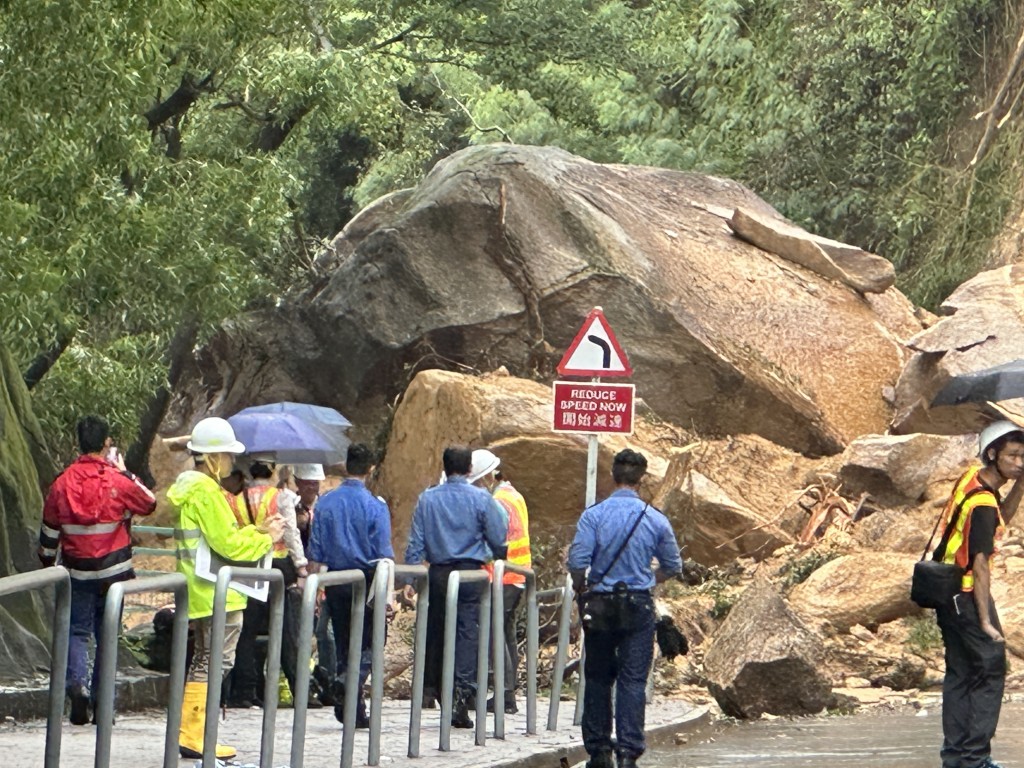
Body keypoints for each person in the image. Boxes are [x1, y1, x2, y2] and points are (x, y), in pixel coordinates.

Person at [168, 417, 284, 760]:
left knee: (206, 659)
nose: (231, 463)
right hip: (216, 590)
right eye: (227, 455)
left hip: (201, 589)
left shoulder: (189, 490)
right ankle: (193, 734)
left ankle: (193, 732)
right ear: (213, 456)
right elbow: (229, 545)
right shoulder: (205, 493)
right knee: (216, 661)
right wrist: (265, 537)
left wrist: (256, 531)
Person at [38, 415, 157, 725]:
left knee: (76, 632)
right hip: (114, 575)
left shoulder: (62, 483)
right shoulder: (116, 480)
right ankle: (103, 704)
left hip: (77, 574)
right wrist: (124, 471)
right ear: (107, 443)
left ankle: (77, 686)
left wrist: (47, 561)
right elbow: (149, 502)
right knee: (107, 637)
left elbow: (50, 529)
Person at [567, 448, 682, 768]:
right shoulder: (655, 518)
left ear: (613, 476)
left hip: (601, 606)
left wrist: (581, 585)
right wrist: (648, 579)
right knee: (633, 680)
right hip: (638, 606)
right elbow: (673, 564)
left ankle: (599, 751)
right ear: (641, 479)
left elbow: (577, 560)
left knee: (598, 678)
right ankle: (629, 752)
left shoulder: (594, 515)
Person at [933, 420, 1024, 768]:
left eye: (1023, 457)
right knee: (990, 670)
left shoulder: (973, 480)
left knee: (960, 672)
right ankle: (975, 758)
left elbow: (1004, 517)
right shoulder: (983, 503)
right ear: (993, 454)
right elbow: (981, 562)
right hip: (968, 595)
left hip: (945, 591)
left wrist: (1021, 483)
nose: (1019, 462)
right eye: (1013, 456)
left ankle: (954, 758)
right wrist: (986, 620)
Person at [405, 445, 508, 728]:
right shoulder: (482, 498)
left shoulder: (427, 499)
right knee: (466, 634)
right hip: (470, 575)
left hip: (438, 574)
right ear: (469, 469)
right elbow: (498, 537)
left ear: (445, 466)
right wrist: (495, 555)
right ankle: (462, 696)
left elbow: (416, 542)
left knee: (436, 633)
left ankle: (435, 689)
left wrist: (412, 577)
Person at [308, 443, 394, 727]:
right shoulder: (375, 505)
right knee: (371, 641)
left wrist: (315, 587)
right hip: (366, 581)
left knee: (345, 642)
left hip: (335, 580)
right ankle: (348, 682)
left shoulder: (325, 503)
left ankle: (353, 711)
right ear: (371, 469)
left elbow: (315, 552)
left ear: (346, 466)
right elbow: (383, 553)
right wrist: (388, 595)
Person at [227, 458, 312, 709]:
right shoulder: (281, 497)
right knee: (284, 629)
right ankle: (297, 688)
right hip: (277, 568)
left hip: (247, 565)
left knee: (247, 631)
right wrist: (301, 566)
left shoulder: (237, 498)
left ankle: (244, 690)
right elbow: (290, 533)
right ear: (273, 470)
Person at [471, 449, 532, 715]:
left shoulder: (499, 501)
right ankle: (507, 693)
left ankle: (505, 694)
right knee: (505, 634)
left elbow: (497, 540)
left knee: (496, 634)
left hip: (504, 577)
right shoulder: (513, 495)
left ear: (488, 477)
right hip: (516, 575)